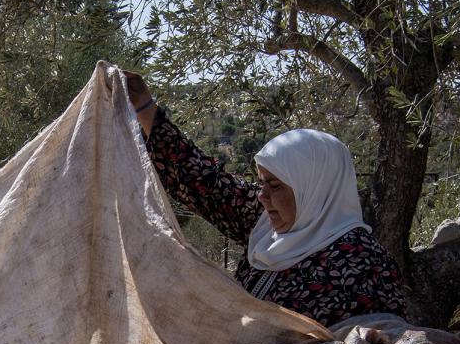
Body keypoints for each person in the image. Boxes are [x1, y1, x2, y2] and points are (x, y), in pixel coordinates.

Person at [125, 73, 406, 327]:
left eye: (274, 185)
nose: (262, 196)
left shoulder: (364, 266)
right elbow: (204, 182)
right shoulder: (264, 225)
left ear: (315, 189)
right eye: (261, 182)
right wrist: (145, 108)